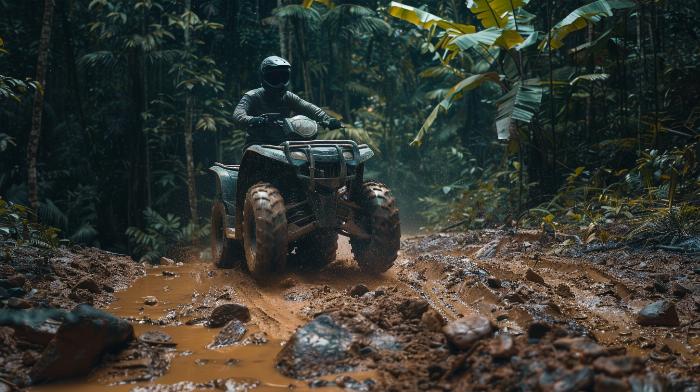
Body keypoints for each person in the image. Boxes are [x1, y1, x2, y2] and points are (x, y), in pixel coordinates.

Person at [233, 56, 342, 147]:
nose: (280, 82)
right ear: (264, 78)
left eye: (283, 77)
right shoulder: (252, 96)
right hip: (257, 144)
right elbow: (238, 114)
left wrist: (327, 120)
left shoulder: (288, 96)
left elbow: (308, 108)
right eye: (274, 78)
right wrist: (252, 120)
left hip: (284, 144)